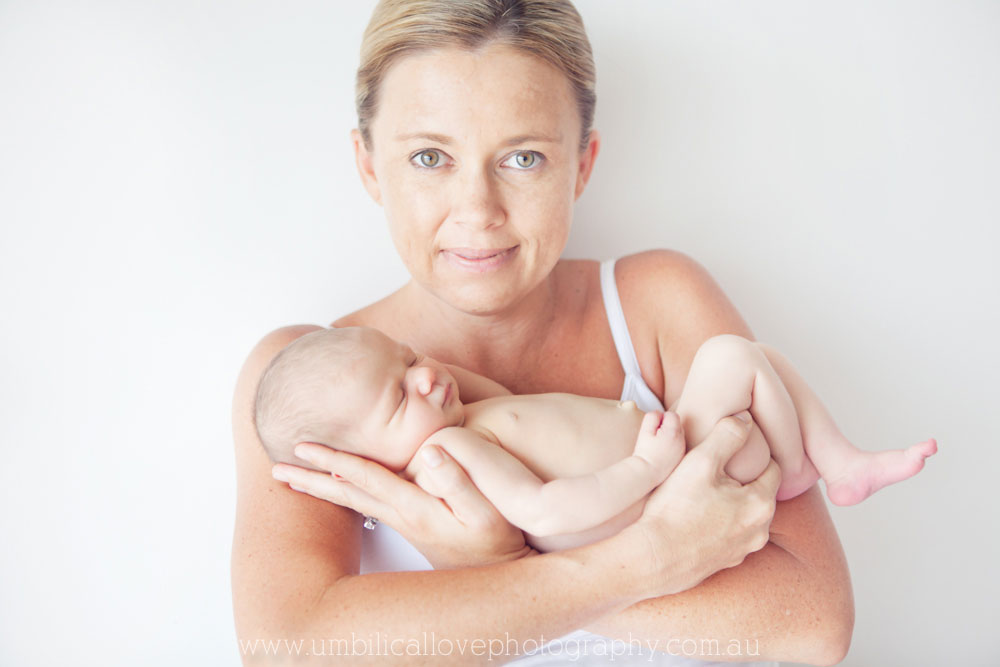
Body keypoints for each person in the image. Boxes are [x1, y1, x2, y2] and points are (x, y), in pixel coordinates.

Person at [231, 1, 855, 664]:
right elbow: (286, 649)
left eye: (523, 158)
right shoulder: (309, 381)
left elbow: (813, 624)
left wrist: (507, 565)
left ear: (582, 165)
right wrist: (642, 563)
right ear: (368, 165)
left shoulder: (655, 305)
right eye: (430, 157)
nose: (478, 211)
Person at [253, 326, 935, 551]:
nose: (426, 375)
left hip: (671, 463)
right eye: (400, 394)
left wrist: (421, 381)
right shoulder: (445, 456)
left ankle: (836, 462)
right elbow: (544, 510)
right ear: (364, 464)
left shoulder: (460, 424)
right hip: (664, 484)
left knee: (754, 357)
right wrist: (646, 467)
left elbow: (492, 398)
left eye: (408, 356)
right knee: (732, 356)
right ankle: (802, 469)